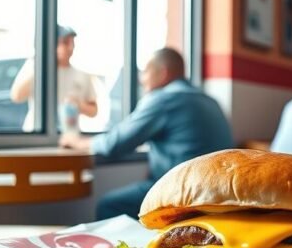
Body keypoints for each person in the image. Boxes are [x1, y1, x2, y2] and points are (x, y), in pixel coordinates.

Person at [60, 48, 233, 219]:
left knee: (108, 205)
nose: (142, 79)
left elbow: (115, 143)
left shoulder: (163, 99)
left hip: (182, 194)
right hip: (218, 196)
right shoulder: (211, 101)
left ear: (163, 73)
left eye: (146, 72)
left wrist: (76, 141)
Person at [11, 25, 98, 132]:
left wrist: (78, 105)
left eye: (72, 43)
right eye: (65, 42)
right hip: (36, 134)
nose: (70, 47)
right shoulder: (35, 65)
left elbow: (94, 111)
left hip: (68, 135)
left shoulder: (82, 75)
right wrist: (42, 63)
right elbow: (16, 96)